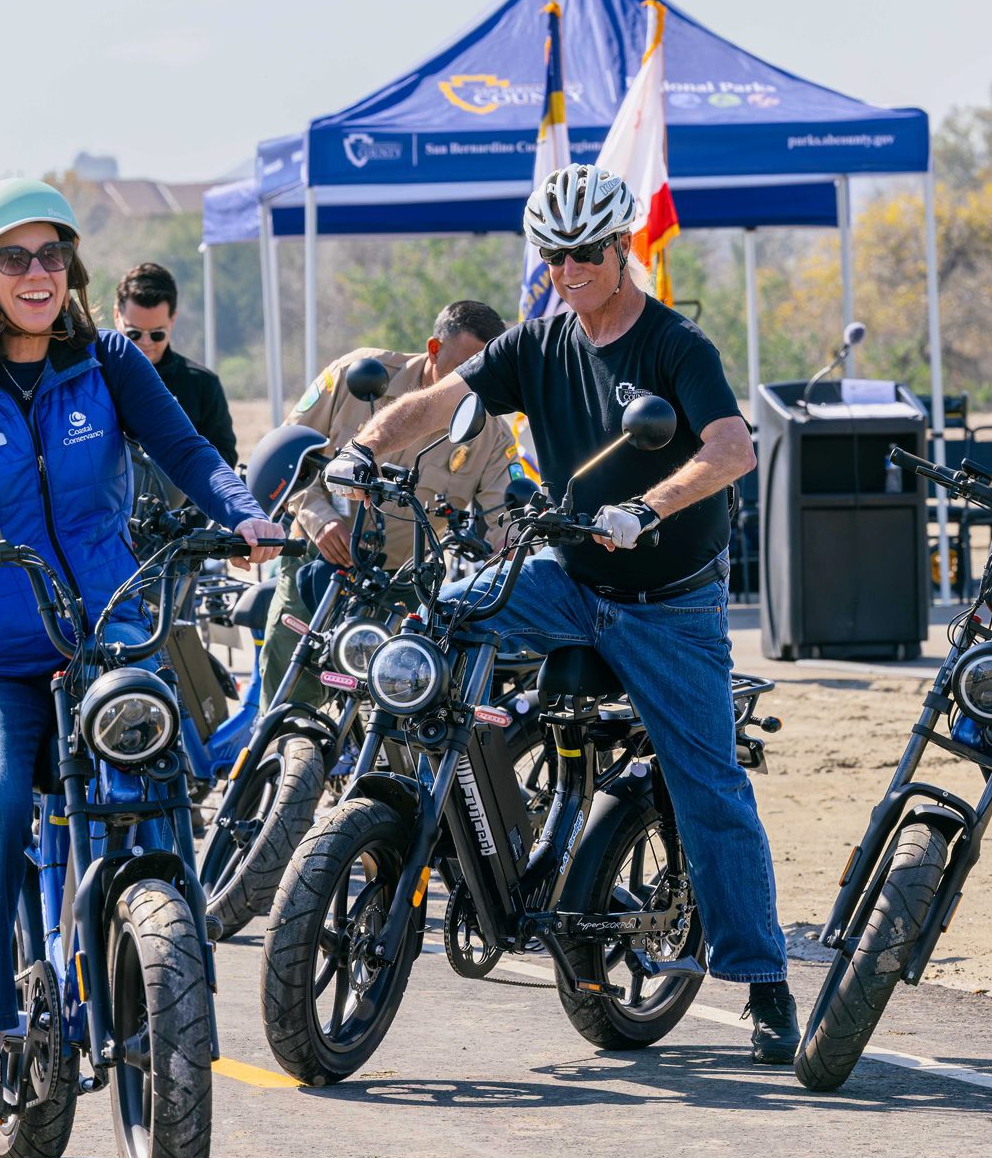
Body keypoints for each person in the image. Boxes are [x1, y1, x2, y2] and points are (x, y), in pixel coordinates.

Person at [325, 164, 797, 1064]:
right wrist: (361, 449)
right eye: (554, 252)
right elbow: (439, 399)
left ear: (622, 247)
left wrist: (648, 509)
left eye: (585, 251)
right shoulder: (539, 342)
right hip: (567, 576)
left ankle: (766, 981)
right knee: (432, 625)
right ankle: (466, 824)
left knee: (710, 787)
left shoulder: (675, 346)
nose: (568, 267)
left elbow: (732, 448)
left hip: (668, 601)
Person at [0, 178, 281, 1122]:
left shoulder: (106, 363)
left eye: (52, 255)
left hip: (107, 638)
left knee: (156, 780)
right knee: (0, 800)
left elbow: (188, 453)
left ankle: (177, 974)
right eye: (13, 258)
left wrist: (247, 514)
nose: (37, 273)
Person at [262, 300, 519, 703]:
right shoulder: (355, 375)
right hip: (319, 564)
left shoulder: (490, 433)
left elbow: (504, 515)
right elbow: (287, 460)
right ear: (434, 349)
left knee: (401, 708)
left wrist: (517, 544)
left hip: (402, 585)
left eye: (483, 373)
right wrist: (320, 518)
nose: (470, 384)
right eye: (462, 369)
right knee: (290, 696)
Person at [114, 262, 236, 463]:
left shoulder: (203, 385)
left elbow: (225, 457)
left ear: (173, 320)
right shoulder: (92, 378)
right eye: (134, 333)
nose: (145, 343)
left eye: (157, 334)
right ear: (117, 315)